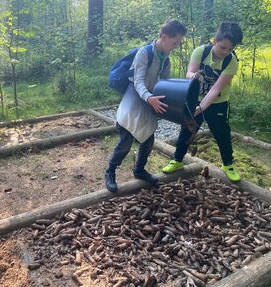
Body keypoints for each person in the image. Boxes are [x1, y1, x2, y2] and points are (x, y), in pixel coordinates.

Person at [105, 19, 188, 192]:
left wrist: (168, 102)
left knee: (148, 138)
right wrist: (148, 97)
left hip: (150, 99)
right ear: (164, 37)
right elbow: (138, 80)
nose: (176, 46)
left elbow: (164, 83)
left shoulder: (166, 60)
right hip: (135, 97)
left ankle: (139, 169)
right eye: (175, 42)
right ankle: (110, 171)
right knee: (126, 139)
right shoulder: (144, 53)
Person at [162, 22, 244, 182]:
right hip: (195, 98)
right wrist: (193, 76)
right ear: (215, 41)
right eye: (222, 47)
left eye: (230, 49)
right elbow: (189, 72)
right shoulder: (201, 51)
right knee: (187, 129)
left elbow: (215, 90)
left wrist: (201, 108)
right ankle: (177, 160)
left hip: (218, 102)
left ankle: (228, 165)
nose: (225, 52)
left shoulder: (231, 62)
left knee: (222, 133)